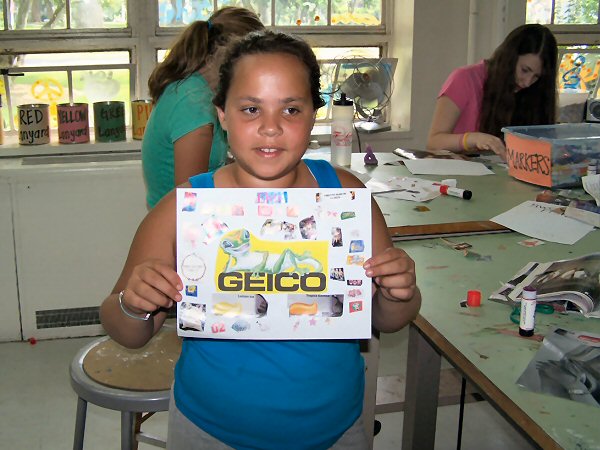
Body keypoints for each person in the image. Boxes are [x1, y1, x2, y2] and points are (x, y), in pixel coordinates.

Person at [100, 30, 421, 449]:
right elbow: (124, 330)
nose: (270, 127)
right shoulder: (184, 209)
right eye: (251, 109)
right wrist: (134, 302)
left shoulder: (345, 196)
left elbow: (387, 319)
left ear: (314, 115)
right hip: (210, 432)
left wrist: (398, 294)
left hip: (336, 429)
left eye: (291, 109)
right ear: (222, 115)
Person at [142, 6, 264, 208]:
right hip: (177, 222)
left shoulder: (191, 86)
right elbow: (191, 201)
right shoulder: (195, 104)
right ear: (232, 57)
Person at [427, 24, 558, 157]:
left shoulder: (535, 93)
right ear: (509, 58)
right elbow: (434, 142)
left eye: (536, 77)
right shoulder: (464, 78)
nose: (527, 82)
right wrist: (472, 139)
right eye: (524, 70)